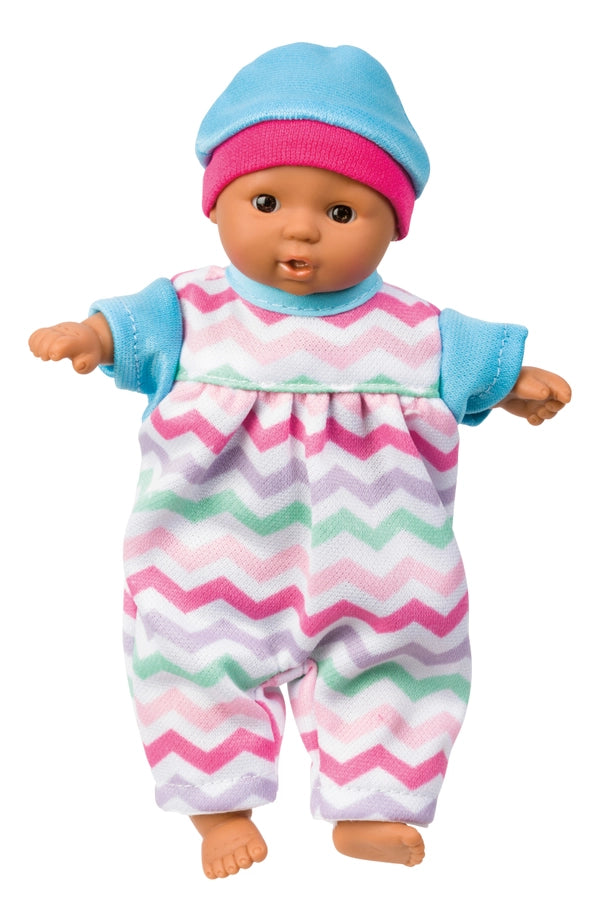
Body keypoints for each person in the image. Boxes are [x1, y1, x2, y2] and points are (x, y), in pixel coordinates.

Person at [29, 43, 571, 879]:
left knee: (402, 662)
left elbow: (476, 366)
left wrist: (512, 384)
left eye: (342, 211)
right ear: (216, 206)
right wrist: (90, 337)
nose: (301, 228)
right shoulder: (190, 311)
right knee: (188, 664)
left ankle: (373, 806)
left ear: (394, 223)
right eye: (266, 200)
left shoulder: (415, 327)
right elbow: (121, 331)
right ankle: (217, 809)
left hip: (382, 568)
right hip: (210, 560)